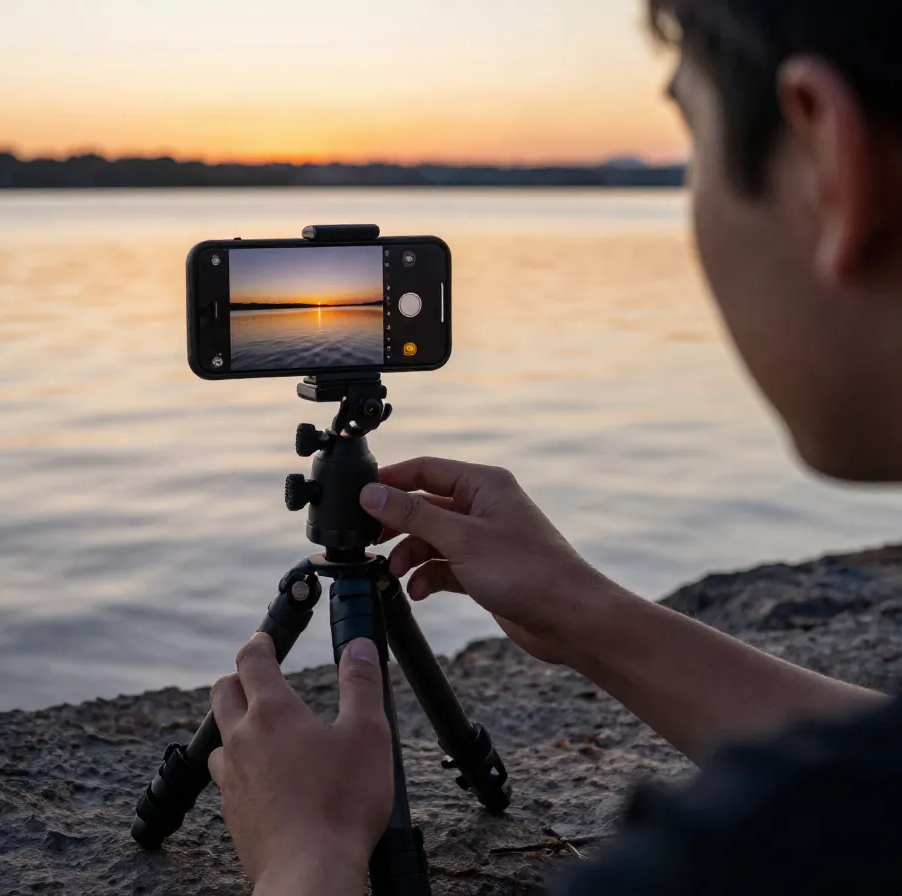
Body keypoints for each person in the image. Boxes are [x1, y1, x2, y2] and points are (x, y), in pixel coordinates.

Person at [205, 1, 902, 893]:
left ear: (826, 161)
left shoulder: (731, 859)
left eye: (692, 139)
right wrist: (581, 610)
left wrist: (310, 853)